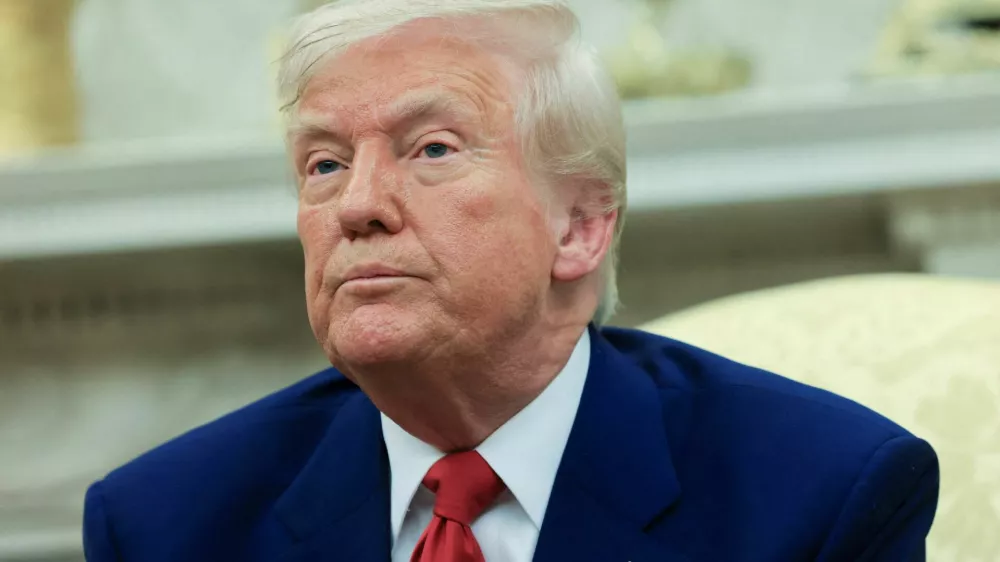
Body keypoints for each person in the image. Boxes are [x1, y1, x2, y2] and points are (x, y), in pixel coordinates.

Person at [82, 1, 939, 560]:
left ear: (580, 226)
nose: (358, 205)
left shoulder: (819, 498)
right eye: (324, 164)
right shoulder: (166, 525)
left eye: (433, 150)